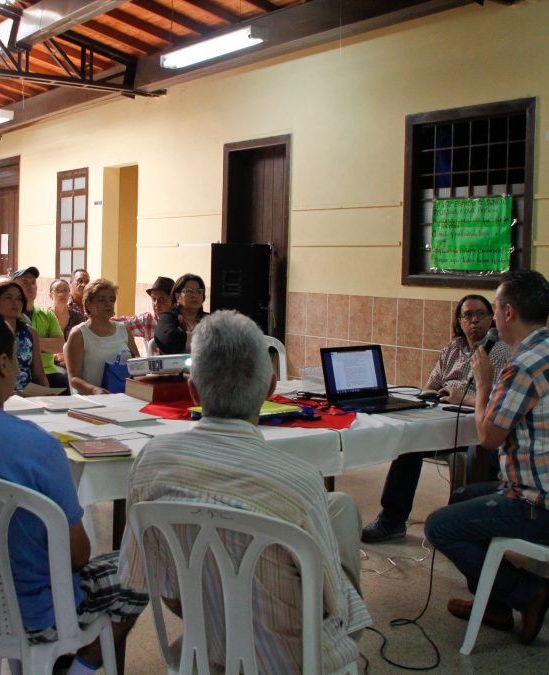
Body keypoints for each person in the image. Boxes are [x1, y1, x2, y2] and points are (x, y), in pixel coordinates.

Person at [118, 310, 371, 672]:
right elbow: (332, 607)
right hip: (292, 661)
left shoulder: (150, 463)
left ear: (193, 391)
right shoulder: (299, 480)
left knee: (340, 506)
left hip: (202, 649)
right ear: (270, 389)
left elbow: (155, 583)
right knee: (339, 540)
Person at [0, 307, 148, 674]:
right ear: (4, 364)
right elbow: (78, 555)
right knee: (141, 559)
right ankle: (78, 668)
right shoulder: (36, 445)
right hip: (37, 611)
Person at [424, 269, 549, 645]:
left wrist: (483, 383)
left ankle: (528, 593)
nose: (491, 318)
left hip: (541, 506)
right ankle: (495, 604)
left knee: (439, 526)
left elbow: (488, 437)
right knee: (464, 496)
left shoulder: (524, 365)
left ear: (509, 313)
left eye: (494, 309)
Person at [360, 294, 511, 543]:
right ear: (459, 321)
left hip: (475, 422)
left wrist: (462, 396)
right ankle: (392, 520)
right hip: (441, 412)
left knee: (478, 453)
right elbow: (431, 384)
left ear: (491, 318)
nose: (474, 321)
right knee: (409, 443)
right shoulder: (453, 348)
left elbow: (498, 399)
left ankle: (461, 524)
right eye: (467, 315)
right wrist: (432, 395)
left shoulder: (500, 350)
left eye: (481, 314)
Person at [63, 278, 137, 395]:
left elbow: (138, 363)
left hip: (126, 395)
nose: (108, 304)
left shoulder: (124, 329)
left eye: (111, 300)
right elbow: (74, 379)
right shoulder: (79, 334)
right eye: (101, 300)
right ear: (88, 304)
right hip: (94, 399)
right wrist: (94, 390)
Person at [12, 266, 68, 390]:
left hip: (47, 370)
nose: (30, 286)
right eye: (25, 282)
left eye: (33, 282)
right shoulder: (10, 315)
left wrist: (29, 342)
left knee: (65, 384)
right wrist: (45, 343)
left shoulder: (47, 315)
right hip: (19, 371)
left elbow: (59, 345)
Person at [0, 280, 48, 392]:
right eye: (8, 298)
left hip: (27, 396)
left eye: (19, 299)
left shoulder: (30, 333)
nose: (15, 303)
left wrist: (46, 393)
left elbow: (39, 375)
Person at [112, 275, 174, 348]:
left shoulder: (183, 319)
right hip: (154, 359)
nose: (156, 304)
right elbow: (122, 323)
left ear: (173, 301)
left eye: (162, 299)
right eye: (154, 299)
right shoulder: (148, 320)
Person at [153, 273, 208, 354]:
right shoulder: (168, 317)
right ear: (177, 296)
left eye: (199, 291)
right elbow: (168, 338)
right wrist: (207, 341)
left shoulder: (210, 319)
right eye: (189, 291)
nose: (195, 295)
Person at [49, 278, 84, 342]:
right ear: (51, 295)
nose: (62, 294)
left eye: (65, 290)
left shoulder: (78, 317)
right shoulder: (44, 316)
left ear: (69, 294)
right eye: (58, 290)